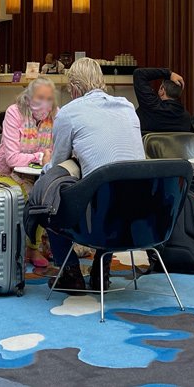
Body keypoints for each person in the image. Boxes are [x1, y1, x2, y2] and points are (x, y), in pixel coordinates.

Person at [42, 57, 144, 292]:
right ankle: (102, 269)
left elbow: (57, 165)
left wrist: (45, 167)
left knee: (48, 200)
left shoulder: (69, 112)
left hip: (97, 214)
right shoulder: (128, 107)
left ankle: (70, 273)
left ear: (75, 88)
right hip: (139, 210)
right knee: (111, 190)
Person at [0, 77, 57, 267]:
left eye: (49, 99)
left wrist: (46, 156)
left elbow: (58, 151)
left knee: (50, 194)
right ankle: (31, 248)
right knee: (34, 196)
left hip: (37, 176)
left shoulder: (55, 115)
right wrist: (40, 155)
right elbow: (11, 159)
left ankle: (46, 243)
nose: (45, 103)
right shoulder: (14, 112)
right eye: (40, 97)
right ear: (28, 98)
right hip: (4, 174)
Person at [133, 67, 192, 134]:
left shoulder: (150, 105)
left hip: (147, 144)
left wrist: (169, 74)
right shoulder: (186, 118)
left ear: (162, 90)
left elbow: (139, 73)